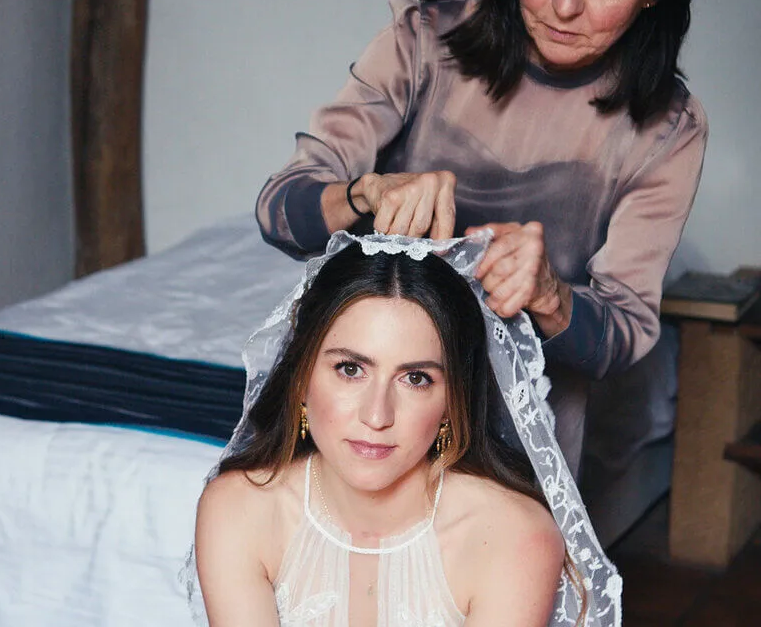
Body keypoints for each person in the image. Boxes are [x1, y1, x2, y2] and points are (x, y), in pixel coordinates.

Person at [255, 0, 706, 482]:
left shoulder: (664, 127)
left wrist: (548, 294)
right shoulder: (424, 42)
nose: (565, 4)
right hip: (367, 431)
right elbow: (280, 211)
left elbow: (624, 333)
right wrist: (368, 192)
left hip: (516, 450)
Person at [192, 232, 613, 627]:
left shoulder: (511, 536)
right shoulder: (239, 508)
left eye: (415, 379)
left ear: (452, 403)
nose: (377, 416)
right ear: (301, 378)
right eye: (350, 369)